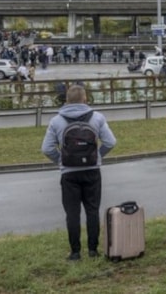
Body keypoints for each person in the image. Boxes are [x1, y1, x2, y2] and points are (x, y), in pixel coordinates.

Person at [41, 85, 117, 261]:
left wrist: (61, 160)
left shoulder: (56, 121)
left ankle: (75, 252)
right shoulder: (97, 118)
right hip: (92, 171)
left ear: (66, 101)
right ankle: (92, 250)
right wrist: (97, 156)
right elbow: (111, 142)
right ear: (85, 99)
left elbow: (46, 148)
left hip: (69, 173)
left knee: (72, 213)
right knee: (92, 210)